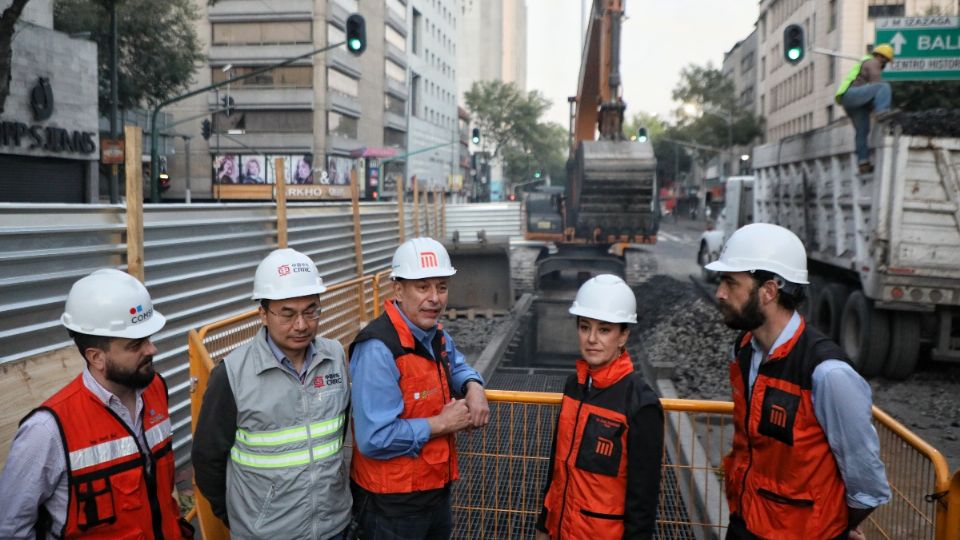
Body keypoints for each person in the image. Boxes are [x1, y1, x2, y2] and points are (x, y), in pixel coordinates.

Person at [705, 223, 891, 540]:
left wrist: (835, 528)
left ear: (769, 291)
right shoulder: (744, 351)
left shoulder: (828, 373)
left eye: (730, 282)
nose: (720, 293)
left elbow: (867, 483)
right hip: (744, 524)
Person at [0, 269, 192, 539]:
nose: (152, 350)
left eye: (149, 339)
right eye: (136, 344)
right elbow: (10, 529)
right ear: (96, 357)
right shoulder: (46, 431)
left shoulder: (155, 388)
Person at [192, 248, 352, 539]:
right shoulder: (232, 375)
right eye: (287, 314)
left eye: (311, 311)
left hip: (334, 525)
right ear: (263, 314)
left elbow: (338, 433)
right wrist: (240, 517)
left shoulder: (335, 356)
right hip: (265, 532)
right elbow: (207, 460)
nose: (301, 325)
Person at [349, 237, 490, 539]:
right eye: (422, 286)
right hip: (392, 507)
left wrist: (474, 386)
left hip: (435, 493)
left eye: (441, 286)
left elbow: (459, 365)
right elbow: (373, 438)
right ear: (398, 290)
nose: (435, 298)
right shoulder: (378, 349)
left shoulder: (435, 334)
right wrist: (441, 423)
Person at [535, 274, 663, 540]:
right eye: (585, 327)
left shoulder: (640, 404)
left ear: (623, 335)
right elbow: (557, 468)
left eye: (604, 329)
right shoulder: (574, 387)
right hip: (560, 529)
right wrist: (543, 524)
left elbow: (643, 500)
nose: (592, 338)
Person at [835, 43, 896, 174]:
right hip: (852, 94)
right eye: (886, 61)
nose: (885, 65)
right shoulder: (873, 62)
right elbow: (876, 82)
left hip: (850, 101)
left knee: (862, 131)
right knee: (884, 87)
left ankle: (863, 163)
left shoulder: (865, 62)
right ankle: (882, 112)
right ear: (881, 57)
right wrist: (881, 109)